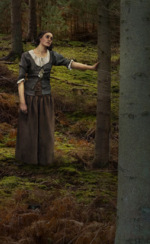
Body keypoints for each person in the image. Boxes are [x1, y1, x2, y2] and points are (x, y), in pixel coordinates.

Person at [15, 31, 97, 165]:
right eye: (47, 37)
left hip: (46, 98)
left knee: (45, 131)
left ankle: (44, 160)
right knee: (29, 129)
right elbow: (21, 80)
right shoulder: (26, 56)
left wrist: (91, 68)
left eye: (51, 38)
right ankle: (28, 160)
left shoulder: (52, 56)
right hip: (30, 98)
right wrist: (22, 102)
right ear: (40, 38)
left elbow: (70, 63)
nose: (49, 39)